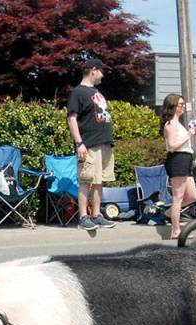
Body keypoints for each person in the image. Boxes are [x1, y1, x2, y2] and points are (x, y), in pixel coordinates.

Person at [66, 57, 117, 232]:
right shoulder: (78, 92)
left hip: (104, 144)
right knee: (86, 181)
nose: (103, 75)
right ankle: (83, 217)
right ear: (93, 70)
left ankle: (96, 214)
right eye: (101, 71)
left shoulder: (96, 91)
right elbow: (71, 118)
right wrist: (79, 143)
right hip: (89, 144)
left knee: (99, 181)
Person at [160, 93, 196, 240]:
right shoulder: (170, 124)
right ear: (173, 107)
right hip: (178, 159)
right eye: (180, 105)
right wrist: (188, 135)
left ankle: (170, 212)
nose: (182, 107)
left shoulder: (178, 123)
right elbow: (171, 146)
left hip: (186, 158)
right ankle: (176, 230)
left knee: (192, 196)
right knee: (178, 197)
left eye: (183, 105)